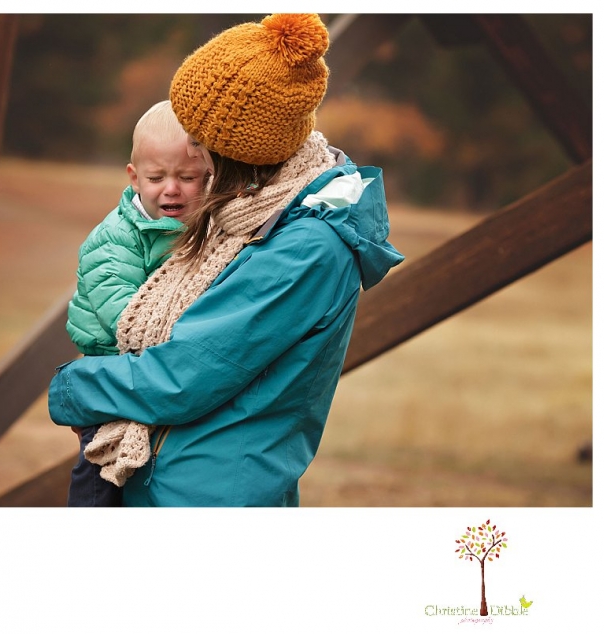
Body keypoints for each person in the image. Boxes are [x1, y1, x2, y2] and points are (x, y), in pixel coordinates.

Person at [49, 13, 405, 506]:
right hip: (178, 481)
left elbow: (181, 377)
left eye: (198, 138)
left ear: (236, 149)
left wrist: (71, 387)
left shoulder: (304, 248)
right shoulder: (255, 212)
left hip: (206, 494)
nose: (191, 149)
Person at [64, 99, 209, 506]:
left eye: (187, 177)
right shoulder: (116, 239)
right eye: (156, 177)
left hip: (149, 371)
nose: (171, 188)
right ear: (134, 177)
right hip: (111, 367)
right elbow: (125, 316)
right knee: (100, 467)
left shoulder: (202, 226)